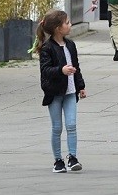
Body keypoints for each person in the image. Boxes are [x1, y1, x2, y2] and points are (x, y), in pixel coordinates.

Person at [35, 10, 86, 173]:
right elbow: (45, 70)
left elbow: (76, 67)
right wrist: (61, 70)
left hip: (71, 92)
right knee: (57, 128)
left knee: (71, 125)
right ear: (58, 28)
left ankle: (72, 157)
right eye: (67, 23)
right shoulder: (47, 48)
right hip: (55, 93)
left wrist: (81, 86)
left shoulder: (71, 45)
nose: (70, 25)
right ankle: (58, 160)